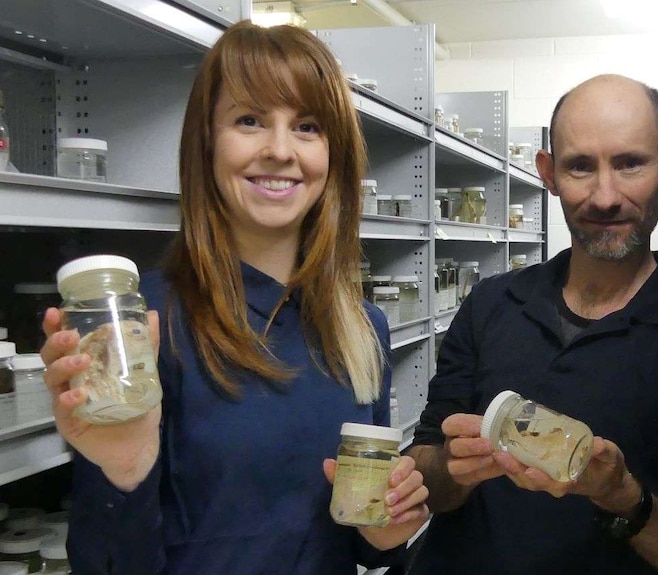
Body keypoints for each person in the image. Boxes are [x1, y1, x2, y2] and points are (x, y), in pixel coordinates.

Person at [39, 20, 429, 574]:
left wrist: (385, 531)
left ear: (333, 154)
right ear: (207, 141)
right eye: (249, 120)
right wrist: (122, 470)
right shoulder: (141, 327)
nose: (278, 150)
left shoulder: (361, 328)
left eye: (308, 126)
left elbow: (357, 540)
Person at [406, 74, 658, 575]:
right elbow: (426, 469)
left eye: (630, 163)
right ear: (548, 173)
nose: (605, 197)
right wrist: (453, 470)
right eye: (580, 167)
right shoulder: (489, 305)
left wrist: (623, 496)